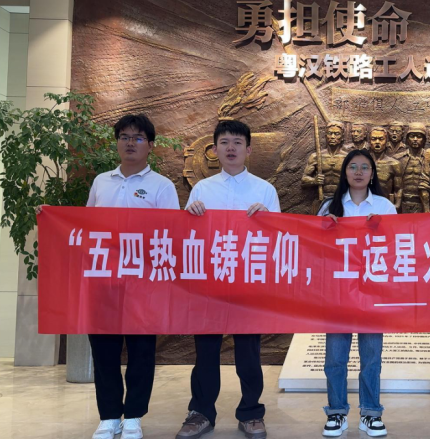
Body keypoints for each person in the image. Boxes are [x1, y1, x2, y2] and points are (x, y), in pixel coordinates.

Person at [36, 114, 179, 440]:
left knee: (142, 351)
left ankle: (134, 416)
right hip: (103, 281)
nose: (130, 143)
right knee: (104, 350)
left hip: (143, 283)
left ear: (150, 145)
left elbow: (171, 232)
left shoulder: (161, 186)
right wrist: (51, 217)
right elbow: (85, 227)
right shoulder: (102, 182)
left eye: (138, 138)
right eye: (124, 137)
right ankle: (110, 416)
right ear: (116, 143)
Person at [176, 120, 280, 440]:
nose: (231, 148)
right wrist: (189, 214)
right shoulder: (202, 190)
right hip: (210, 282)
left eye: (237, 142)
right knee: (206, 351)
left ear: (248, 150)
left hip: (248, 282)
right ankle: (201, 413)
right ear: (215, 149)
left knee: (248, 352)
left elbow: (280, 239)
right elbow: (188, 238)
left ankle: (251, 413)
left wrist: (268, 220)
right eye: (224, 142)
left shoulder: (265, 190)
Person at [318, 149, 397, 438]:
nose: (359, 172)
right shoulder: (330, 206)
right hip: (337, 293)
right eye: (353, 167)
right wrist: (325, 230)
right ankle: (336, 412)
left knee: (371, 357)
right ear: (345, 172)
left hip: (372, 292)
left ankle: (371, 413)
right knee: (335, 358)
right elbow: (315, 250)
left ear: (373, 174)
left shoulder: (385, 207)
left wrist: (382, 230)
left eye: (365, 167)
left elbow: (398, 248)